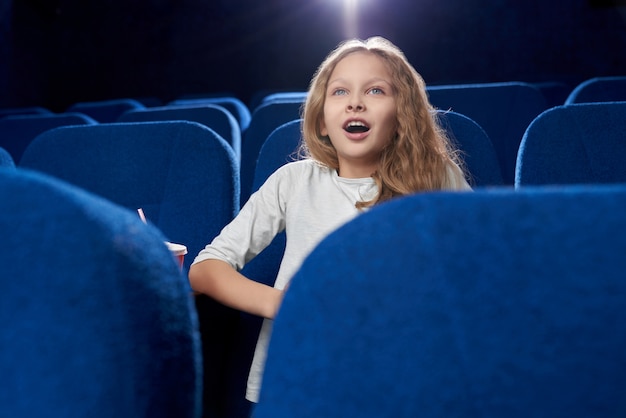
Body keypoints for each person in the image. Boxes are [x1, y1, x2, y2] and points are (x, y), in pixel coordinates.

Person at [188, 36, 472, 404]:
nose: (355, 102)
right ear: (321, 120)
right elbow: (206, 268)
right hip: (299, 378)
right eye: (340, 92)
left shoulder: (438, 177)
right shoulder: (293, 181)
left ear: (402, 115)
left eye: (375, 90)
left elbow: (478, 269)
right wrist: (282, 304)